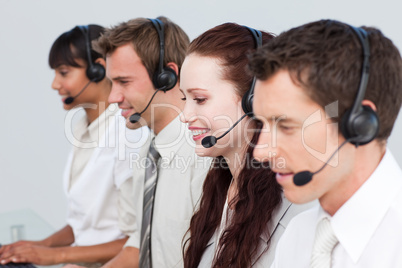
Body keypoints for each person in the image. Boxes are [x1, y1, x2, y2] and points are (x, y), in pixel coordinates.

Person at [248, 19, 402, 267]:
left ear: (360, 124)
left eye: (286, 126)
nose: (260, 152)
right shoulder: (298, 236)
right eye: (262, 124)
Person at [0, 25, 148, 267]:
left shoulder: (127, 134)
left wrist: (57, 256)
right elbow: (86, 223)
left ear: (98, 69)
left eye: (64, 72)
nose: (54, 84)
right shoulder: (83, 127)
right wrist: (39, 246)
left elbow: (136, 242)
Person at [180, 23, 314, 268]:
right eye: (184, 98)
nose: (185, 115)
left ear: (253, 100)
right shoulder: (220, 189)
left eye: (199, 99)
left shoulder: (299, 203)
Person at [87, 16, 210, 268]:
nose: (112, 97)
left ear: (167, 76)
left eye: (123, 82)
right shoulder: (148, 151)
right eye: (111, 83)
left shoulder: (204, 155)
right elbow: (139, 241)